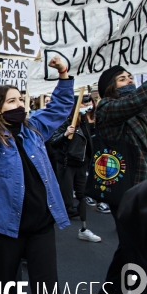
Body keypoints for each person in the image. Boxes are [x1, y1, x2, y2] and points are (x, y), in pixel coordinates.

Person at [0, 56, 73, 294]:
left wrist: (63, 74)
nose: (20, 104)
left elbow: (60, 107)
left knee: (48, 287)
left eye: (21, 99)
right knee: (6, 287)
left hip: (41, 223)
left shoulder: (34, 127)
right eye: (12, 101)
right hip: (5, 224)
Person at [95, 66, 147, 294]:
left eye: (130, 77)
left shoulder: (141, 112)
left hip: (145, 187)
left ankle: (111, 286)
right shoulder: (107, 108)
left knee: (130, 244)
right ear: (109, 86)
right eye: (121, 78)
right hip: (127, 192)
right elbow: (136, 100)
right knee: (139, 253)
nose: (128, 80)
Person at [50, 101, 101, 242]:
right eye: (83, 104)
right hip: (67, 164)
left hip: (81, 164)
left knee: (82, 194)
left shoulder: (84, 122)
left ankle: (84, 228)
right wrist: (65, 134)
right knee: (66, 196)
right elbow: (53, 142)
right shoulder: (64, 123)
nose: (87, 107)